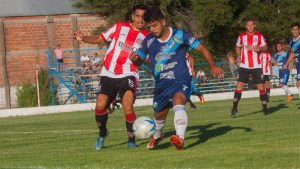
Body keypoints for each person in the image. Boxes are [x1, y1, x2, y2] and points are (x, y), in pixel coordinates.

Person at [129, 7, 221, 150]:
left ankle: (180, 138)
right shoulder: (148, 41)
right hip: (161, 84)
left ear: (163, 22)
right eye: (150, 27)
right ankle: (157, 134)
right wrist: (134, 59)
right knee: (159, 115)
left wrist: (213, 65)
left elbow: (202, 48)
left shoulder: (180, 35)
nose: (152, 29)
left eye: (155, 25)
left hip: (180, 79)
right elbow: (139, 61)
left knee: (178, 101)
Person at [73, 4, 149, 150]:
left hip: (129, 73)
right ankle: (102, 133)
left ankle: (131, 140)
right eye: (138, 16)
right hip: (108, 72)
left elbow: (145, 60)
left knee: (128, 105)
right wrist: (83, 38)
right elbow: (99, 38)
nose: (140, 19)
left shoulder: (147, 38)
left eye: (144, 17)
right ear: (133, 17)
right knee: (100, 106)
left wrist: (136, 59)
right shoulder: (119, 27)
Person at [230, 18, 268, 117]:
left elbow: (265, 47)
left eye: (252, 25)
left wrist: (260, 48)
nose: (250, 27)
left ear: (254, 25)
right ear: (246, 26)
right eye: (248, 25)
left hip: (256, 66)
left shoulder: (259, 36)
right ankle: (234, 108)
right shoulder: (242, 36)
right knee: (239, 86)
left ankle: (265, 109)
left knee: (261, 87)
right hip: (244, 65)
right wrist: (238, 55)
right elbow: (237, 46)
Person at [283, 22, 300, 107]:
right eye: (293, 29)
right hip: (298, 64)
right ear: (291, 31)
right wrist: (287, 63)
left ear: (299, 30)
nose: (295, 31)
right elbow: (292, 53)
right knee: (298, 83)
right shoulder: (292, 41)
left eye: (296, 29)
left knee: (298, 83)